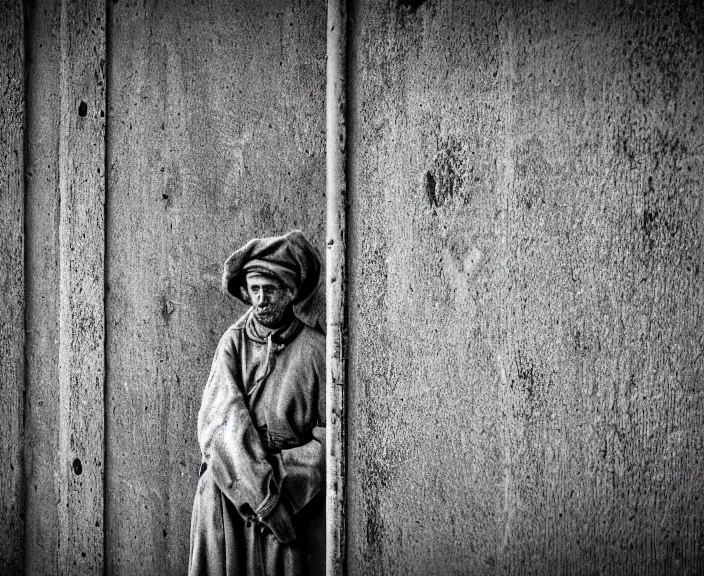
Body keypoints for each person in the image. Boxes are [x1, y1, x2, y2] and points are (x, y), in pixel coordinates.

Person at [188, 230, 326, 576]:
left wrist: (283, 489)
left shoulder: (316, 351)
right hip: (229, 493)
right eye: (254, 289)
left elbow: (332, 438)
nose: (261, 299)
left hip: (291, 500)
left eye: (270, 289)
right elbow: (220, 424)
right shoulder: (233, 343)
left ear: (291, 291)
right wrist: (260, 496)